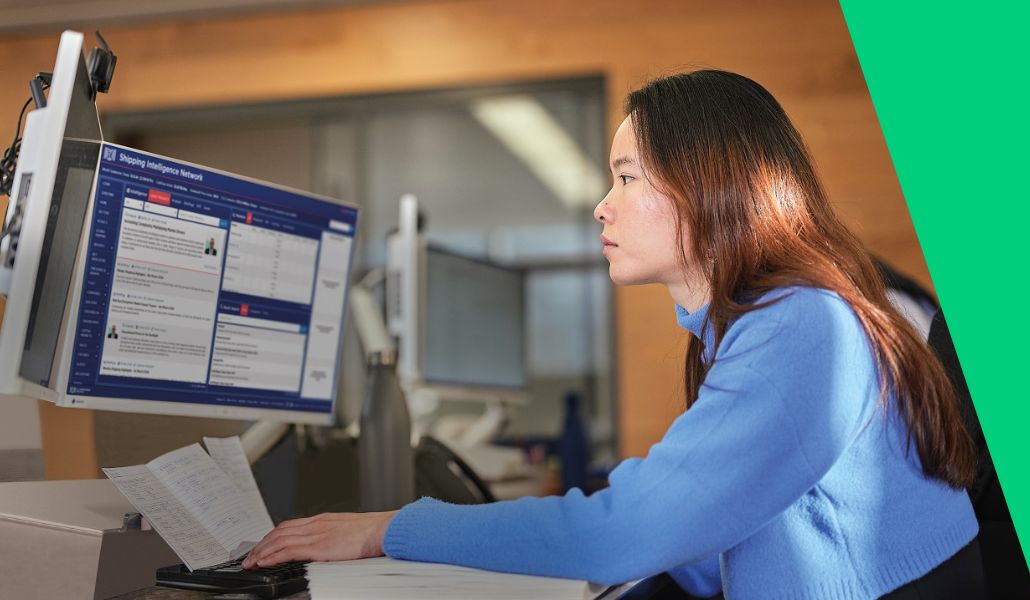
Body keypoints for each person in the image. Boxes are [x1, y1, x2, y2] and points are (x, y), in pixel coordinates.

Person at [242, 70, 987, 599]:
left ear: (705, 184)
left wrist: (389, 530)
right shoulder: (769, 322)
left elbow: (623, 534)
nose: (602, 206)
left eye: (626, 178)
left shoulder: (800, 325)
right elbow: (714, 532)